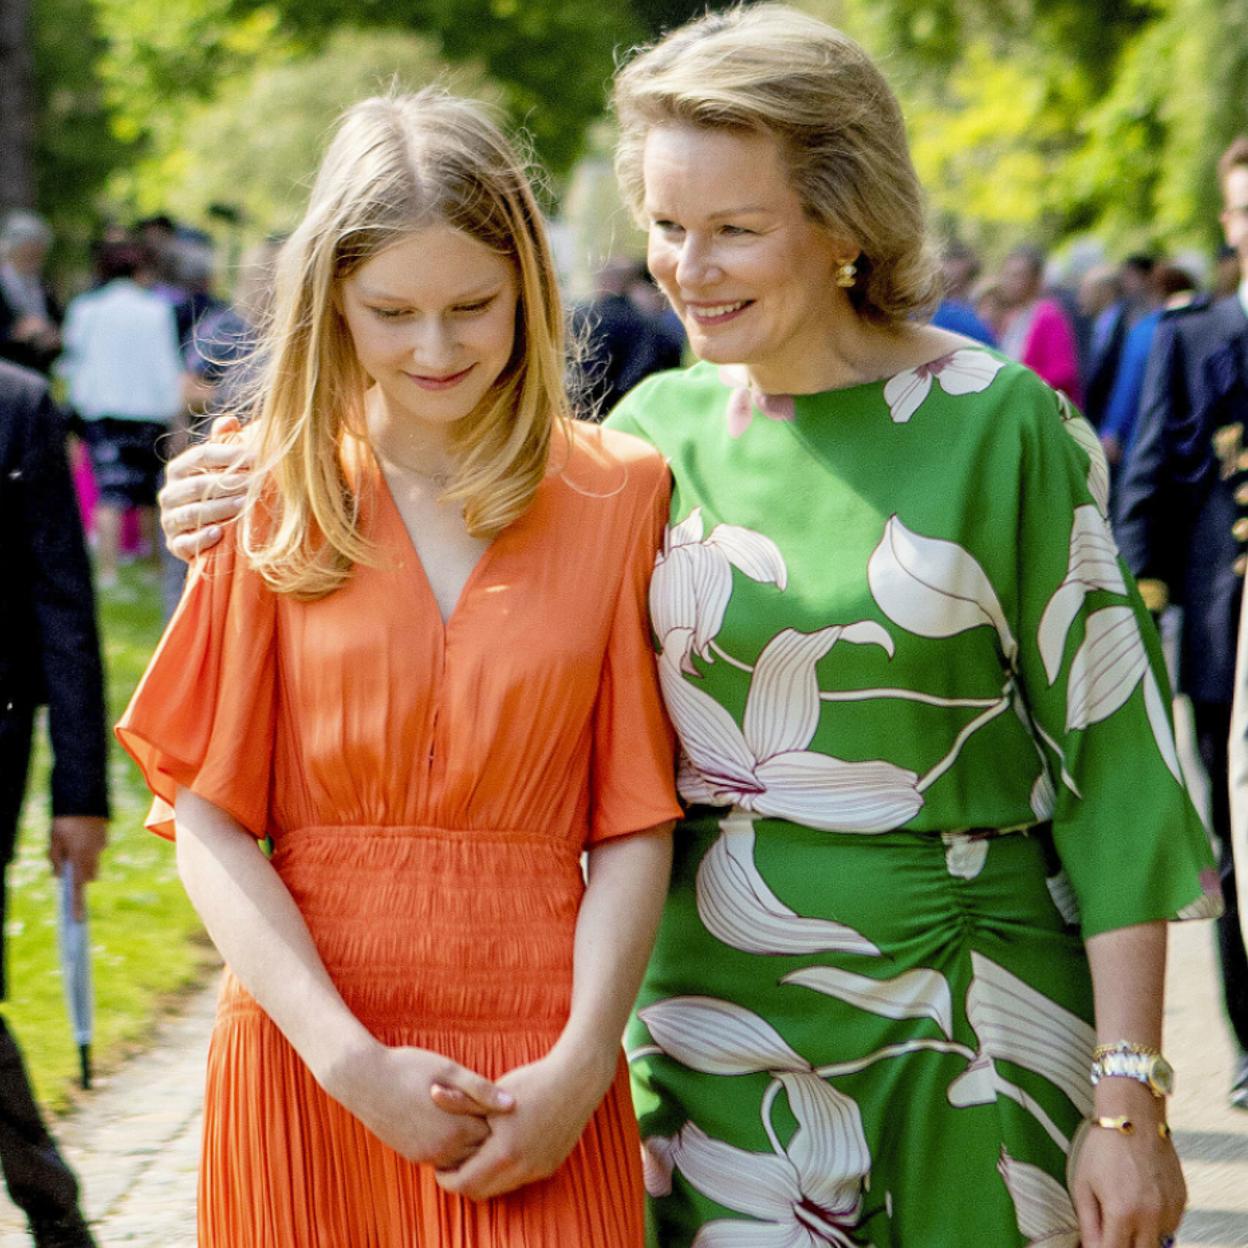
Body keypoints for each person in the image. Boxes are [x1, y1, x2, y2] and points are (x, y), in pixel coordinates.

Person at [156, 12, 1215, 1246]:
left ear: (845, 224)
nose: (689, 267)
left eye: (735, 229)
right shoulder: (649, 437)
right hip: (705, 1030)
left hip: (966, 1012)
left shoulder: (1000, 425)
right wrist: (221, 488)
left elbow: (1116, 772)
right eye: (666, 227)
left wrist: (1130, 1094)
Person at [116, 90, 678, 1247]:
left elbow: (631, 820)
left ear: (529, 283)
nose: (436, 350)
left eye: (474, 307)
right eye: (393, 313)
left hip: (543, 1060)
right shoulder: (257, 489)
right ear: (333, 302)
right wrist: (349, 1062)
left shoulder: (621, 491)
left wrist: (581, 1068)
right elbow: (210, 822)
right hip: (309, 1051)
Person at [1120, 135, 1248, 1113]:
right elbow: (1149, 490)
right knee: (1235, 837)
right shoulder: (1192, 335)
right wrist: (1138, 624)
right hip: (1228, 632)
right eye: (1243, 211)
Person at [0, 359, 109, 1248]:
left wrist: (81, 791)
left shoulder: (19, 407)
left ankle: (50, 1204)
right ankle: (49, 1201)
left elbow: (63, 606)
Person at [57, 241, 185, 587]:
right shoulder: (156, 310)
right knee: (150, 494)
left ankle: (109, 571)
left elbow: (73, 364)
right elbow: (165, 365)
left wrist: (75, 410)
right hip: (147, 412)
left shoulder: (86, 309)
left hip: (101, 411)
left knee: (109, 493)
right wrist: (176, 415)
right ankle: (154, 566)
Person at [998, 243, 1084, 403]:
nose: (1008, 281)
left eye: (1017, 276)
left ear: (1036, 279)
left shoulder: (1048, 317)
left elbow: (1063, 374)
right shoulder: (1014, 317)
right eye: (1006, 275)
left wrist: (1018, 384)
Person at [0, 213, 61, 376]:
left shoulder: (44, 286)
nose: (33, 260)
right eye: (27, 253)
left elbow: (58, 323)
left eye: (37, 254)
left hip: (37, 374)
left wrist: (53, 337)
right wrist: (14, 333)